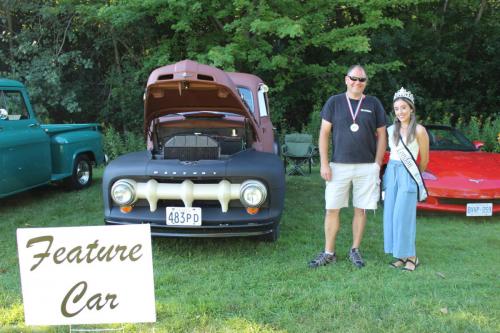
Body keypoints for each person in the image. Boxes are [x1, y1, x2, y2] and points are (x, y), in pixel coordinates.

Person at [308, 65, 387, 269]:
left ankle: (355, 250)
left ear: (366, 83)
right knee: (332, 209)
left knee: (360, 210)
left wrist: (377, 163)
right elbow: (324, 133)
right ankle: (329, 252)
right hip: (338, 166)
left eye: (362, 80)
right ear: (346, 79)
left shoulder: (373, 103)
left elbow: (382, 135)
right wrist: (324, 163)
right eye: (354, 78)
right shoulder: (334, 102)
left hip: (366, 166)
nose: (357, 83)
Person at [383, 87, 429, 271]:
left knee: (404, 216)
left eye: (404, 107)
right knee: (392, 216)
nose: (400, 112)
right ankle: (401, 256)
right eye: (397, 108)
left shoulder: (419, 130)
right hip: (391, 174)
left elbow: (424, 160)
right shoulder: (390, 130)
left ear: (411, 109)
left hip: (407, 174)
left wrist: (413, 177)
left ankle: (412, 256)